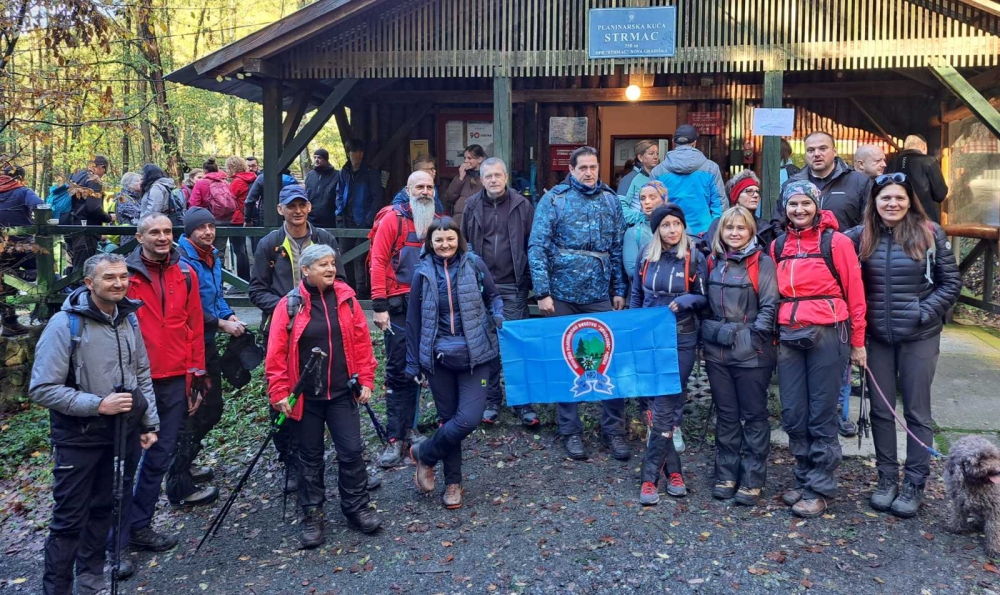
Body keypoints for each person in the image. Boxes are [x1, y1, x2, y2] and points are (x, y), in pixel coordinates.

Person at [30, 253, 159, 595]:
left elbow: (141, 374)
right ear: (89, 283)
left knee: (106, 507)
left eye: (122, 277)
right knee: (69, 519)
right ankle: (56, 589)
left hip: (121, 434)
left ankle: (90, 579)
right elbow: (42, 388)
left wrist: (148, 423)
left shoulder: (129, 318)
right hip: (79, 436)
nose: (118, 283)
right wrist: (98, 405)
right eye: (109, 278)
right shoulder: (65, 325)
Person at [844, 173, 961, 518]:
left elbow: (950, 283)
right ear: (874, 203)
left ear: (910, 200)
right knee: (880, 410)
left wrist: (924, 313)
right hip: (877, 337)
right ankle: (886, 477)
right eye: (885, 198)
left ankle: (914, 481)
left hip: (919, 336)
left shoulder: (929, 233)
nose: (892, 204)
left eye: (898, 198)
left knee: (916, 409)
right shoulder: (859, 237)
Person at [266, 244, 383, 544]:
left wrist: (367, 380)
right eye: (322, 265)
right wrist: (278, 391)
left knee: (352, 452)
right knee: (309, 458)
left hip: (342, 392)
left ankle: (356, 508)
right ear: (305, 270)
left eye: (332, 263)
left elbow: (361, 343)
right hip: (306, 398)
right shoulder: (289, 305)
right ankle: (312, 514)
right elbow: (276, 354)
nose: (330, 269)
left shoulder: (347, 300)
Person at [117, 214, 209, 576]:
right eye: (154, 232)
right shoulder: (124, 276)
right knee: (124, 462)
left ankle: (139, 525)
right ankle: (117, 541)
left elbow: (194, 325)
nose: (162, 238)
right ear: (139, 237)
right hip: (133, 383)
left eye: (168, 232)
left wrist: (196, 375)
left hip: (174, 379)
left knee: (159, 457)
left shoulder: (184, 273)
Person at [771, 181, 866, 518]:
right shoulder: (779, 245)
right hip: (790, 333)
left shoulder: (836, 243)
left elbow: (855, 292)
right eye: (792, 204)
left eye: (805, 204)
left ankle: (820, 486)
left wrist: (858, 342)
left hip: (829, 331)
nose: (799, 210)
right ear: (784, 208)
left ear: (817, 205)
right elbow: (773, 294)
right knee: (794, 412)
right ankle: (803, 476)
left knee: (821, 412)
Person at [528, 146, 628, 460]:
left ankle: (614, 430)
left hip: (598, 294)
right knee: (565, 362)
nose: (588, 172)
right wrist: (542, 292)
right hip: (561, 294)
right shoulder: (554, 200)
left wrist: (619, 289)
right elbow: (537, 246)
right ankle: (570, 430)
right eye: (582, 167)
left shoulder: (611, 201)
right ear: (571, 170)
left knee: (609, 361)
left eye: (593, 167)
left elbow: (617, 248)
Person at [249, 184, 345, 487]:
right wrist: (285, 308)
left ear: (309, 207)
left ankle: (330, 456)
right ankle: (290, 460)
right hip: (283, 331)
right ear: (280, 209)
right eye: (291, 206)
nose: (298, 211)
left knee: (328, 391)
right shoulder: (270, 244)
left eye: (302, 205)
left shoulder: (324, 239)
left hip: (321, 328)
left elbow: (340, 280)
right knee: (283, 394)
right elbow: (256, 289)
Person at [406, 218, 503, 509]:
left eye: (450, 239)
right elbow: (413, 321)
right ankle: (453, 484)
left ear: (458, 239)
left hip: (476, 356)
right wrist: (414, 363)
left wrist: (497, 315)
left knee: (468, 419)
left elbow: (495, 297)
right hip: (439, 358)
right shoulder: (421, 273)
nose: (444, 245)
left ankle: (425, 451)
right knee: (448, 420)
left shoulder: (474, 264)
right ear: (430, 243)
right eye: (439, 240)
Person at [702, 206, 779, 506]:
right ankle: (726, 474)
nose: (734, 233)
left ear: (751, 231)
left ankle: (752, 477)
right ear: (721, 231)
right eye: (729, 227)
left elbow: (770, 307)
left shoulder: (763, 263)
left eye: (741, 228)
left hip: (752, 352)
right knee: (727, 414)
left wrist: (752, 340)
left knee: (754, 416)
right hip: (716, 349)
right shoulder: (712, 262)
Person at [630, 204, 707, 505]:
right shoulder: (645, 257)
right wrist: (633, 332)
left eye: (677, 224)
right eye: (666, 225)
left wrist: (688, 299)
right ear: (657, 229)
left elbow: (705, 297)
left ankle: (648, 479)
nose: (672, 230)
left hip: (682, 337)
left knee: (664, 403)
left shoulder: (693, 257)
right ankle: (674, 472)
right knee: (659, 406)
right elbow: (636, 294)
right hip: (650, 337)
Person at [173, 207, 246, 508]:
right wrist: (220, 323)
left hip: (207, 343)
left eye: (211, 226)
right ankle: (178, 482)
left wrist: (228, 314)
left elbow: (214, 296)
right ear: (189, 231)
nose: (207, 232)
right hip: (187, 345)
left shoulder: (211, 255)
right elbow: (183, 308)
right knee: (188, 412)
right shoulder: (180, 260)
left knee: (212, 407)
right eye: (200, 227)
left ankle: (185, 459)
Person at [460, 157, 538, 426]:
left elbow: (533, 244)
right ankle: (491, 401)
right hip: (481, 286)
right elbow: (463, 244)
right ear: (481, 180)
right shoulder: (472, 205)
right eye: (488, 176)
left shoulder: (522, 206)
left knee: (515, 344)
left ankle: (521, 402)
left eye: (498, 175)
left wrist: (527, 280)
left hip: (512, 285)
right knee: (487, 346)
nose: (493, 180)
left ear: (506, 177)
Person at [371, 171, 437, 468]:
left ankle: (411, 428)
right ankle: (394, 438)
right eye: (419, 187)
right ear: (408, 189)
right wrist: (379, 305)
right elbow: (377, 260)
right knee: (398, 370)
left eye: (429, 187)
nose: (425, 191)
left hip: (426, 303)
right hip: (397, 306)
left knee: (420, 367)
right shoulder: (392, 219)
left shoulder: (435, 219)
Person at [783, 131, 872, 232]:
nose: (817, 154)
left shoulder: (859, 182)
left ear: (834, 151)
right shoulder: (792, 184)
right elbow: (779, 222)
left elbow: (869, 222)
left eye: (823, 148)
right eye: (811, 150)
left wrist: (843, 242)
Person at [650, 125, 725, 236]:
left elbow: (653, 206)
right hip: (704, 232)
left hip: (669, 232)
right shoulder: (711, 168)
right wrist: (713, 232)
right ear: (695, 143)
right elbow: (719, 204)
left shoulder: (657, 171)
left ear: (673, 142)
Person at [0, 163, 42, 336]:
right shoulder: (22, 191)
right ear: (20, 178)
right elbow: (41, 207)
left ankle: (9, 324)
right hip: (24, 245)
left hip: (1, 247)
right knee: (46, 271)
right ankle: (46, 314)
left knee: (4, 284)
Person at [705, 170, 779, 255]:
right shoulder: (718, 225)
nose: (755, 195)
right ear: (735, 196)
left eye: (757, 191)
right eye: (749, 191)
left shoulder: (765, 228)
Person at [189, 158, 241, 272]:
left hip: (205, 224)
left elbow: (194, 204)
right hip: (225, 222)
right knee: (219, 253)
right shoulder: (225, 183)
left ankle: (207, 282)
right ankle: (219, 283)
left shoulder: (201, 183)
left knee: (203, 253)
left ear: (204, 171)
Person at [887, 135, 949, 224]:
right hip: (923, 219)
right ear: (924, 147)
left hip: (897, 218)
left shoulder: (892, 163)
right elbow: (940, 195)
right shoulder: (929, 161)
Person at [67, 156, 113, 273]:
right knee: (84, 267)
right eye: (104, 171)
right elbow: (94, 208)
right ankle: (81, 290)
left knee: (73, 263)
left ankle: (69, 289)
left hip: (70, 224)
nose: (103, 175)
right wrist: (108, 218)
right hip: (86, 228)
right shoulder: (93, 180)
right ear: (101, 167)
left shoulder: (75, 175)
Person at [623, 180, 667, 282]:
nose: (647, 202)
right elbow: (632, 271)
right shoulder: (633, 233)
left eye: (652, 197)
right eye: (643, 198)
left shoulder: (678, 228)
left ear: (664, 199)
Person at [443, 144, 486, 227]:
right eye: (465, 158)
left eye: (469, 158)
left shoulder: (486, 177)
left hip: (478, 221)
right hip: (459, 221)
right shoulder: (462, 175)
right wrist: (460, 178)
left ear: (480, 159)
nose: (466, 161)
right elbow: (449, 197)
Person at [225, 156, 253, 280]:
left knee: (239, 251)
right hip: (246, 216)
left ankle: (242, 279)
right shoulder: (251, 178)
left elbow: (228, 199)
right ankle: (246, 278)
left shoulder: (238, 181)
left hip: (236, 218)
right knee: (244, 250)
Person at [622, 140, 661, 212]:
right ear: (640, 157)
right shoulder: (629, 179)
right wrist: (641, 218)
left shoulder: (661, 177)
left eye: (657, 154)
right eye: (651, 153)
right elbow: (621, 207)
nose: (656, 157)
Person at [305, 148, 340, 228]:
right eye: (315, 157)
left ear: (326, 159)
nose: (316, 160)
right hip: (311, 219)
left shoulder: (336, 175)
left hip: (329, 219)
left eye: (319, 158)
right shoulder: (310, 175)